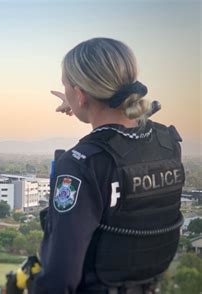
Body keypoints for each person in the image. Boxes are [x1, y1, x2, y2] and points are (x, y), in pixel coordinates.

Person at [32, 38, 185, 293]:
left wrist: (83, 104)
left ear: (80, 94)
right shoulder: (167, 144)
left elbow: (59, 278)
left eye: (67, 87)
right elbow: (133, 130)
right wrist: (82, 104)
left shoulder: (83, 163)